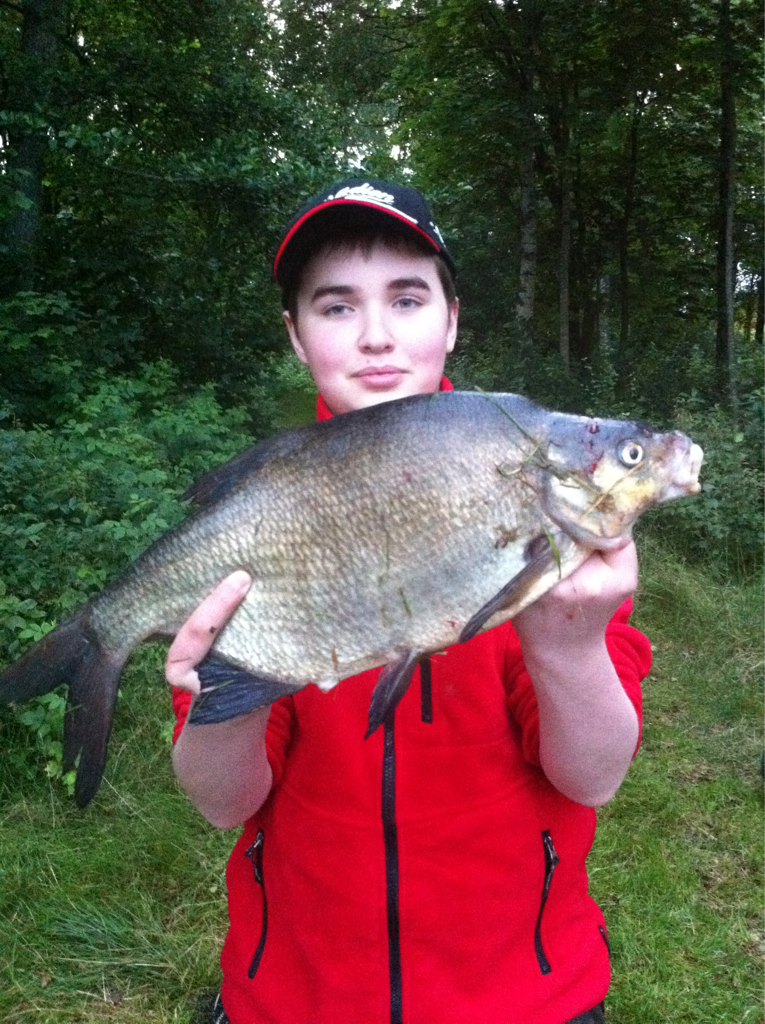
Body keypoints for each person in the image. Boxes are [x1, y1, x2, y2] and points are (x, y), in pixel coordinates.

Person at [167, 179, 651, 1024]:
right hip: (299, 998)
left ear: (451, 318)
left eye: (406, 297)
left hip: (525, 995)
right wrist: (218, 699)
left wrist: (569, 648)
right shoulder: (262, 515)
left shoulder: (531, 498)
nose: (377, 336)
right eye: (336, 306)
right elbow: (221, 803)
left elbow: (593, 776)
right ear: (296, 334)